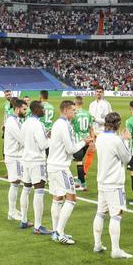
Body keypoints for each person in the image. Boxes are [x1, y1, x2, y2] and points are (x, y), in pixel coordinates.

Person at [48, 100, 93, 245]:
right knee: (71, 198)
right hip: (60, 167)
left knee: (57, 198)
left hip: (53, 165)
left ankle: (56, 231)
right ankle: (60, 233)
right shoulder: (64, 125)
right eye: (73, 110)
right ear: (66, 110)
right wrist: (84, 142)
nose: (75, 112)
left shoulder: (58, 123)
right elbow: (71, 149)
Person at [92, 112, 133, 259]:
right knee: (117, 214)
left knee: (100, 212)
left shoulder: (100, 137)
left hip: (101, 181)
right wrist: (126, 140)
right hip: (114, 183)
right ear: (118, 124)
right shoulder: (117, 140)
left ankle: (97, 244)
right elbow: (127, 158)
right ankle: (115, 250)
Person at [20, 100, 51, 235]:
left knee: (26, 189)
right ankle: (38, 226)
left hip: (26, 159)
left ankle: (24, 219)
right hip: (36, 160)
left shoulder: (25, 123)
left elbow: (24, 140)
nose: (44, 110)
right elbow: (43, 145)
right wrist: (51, 138)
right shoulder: (38, 124)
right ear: (36, 109)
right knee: (39, 191)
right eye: (42, 108)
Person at [4, 98, 27, 221]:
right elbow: (22, 139)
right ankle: (11, 212)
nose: (26, 111)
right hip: (14, 156)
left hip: (17, 156)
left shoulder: (17, 120)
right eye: (24, 109)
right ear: (17, 109)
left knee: (17, 183)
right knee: (15, 183)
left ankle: (12, 210)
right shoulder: (12, 122)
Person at [86, 86, 112, 173]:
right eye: (97, 91)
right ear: (95, 92)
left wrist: (96, 119)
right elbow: (89, 118)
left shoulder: (106, 104)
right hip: (93, 132)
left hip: (102, 132)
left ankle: (105, 172)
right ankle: (84, 174)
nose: (98, 93)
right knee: (90, 152)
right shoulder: (91, 104)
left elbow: (109, 120)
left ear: (103, 93)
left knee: (103, 154)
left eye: (100, 91)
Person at [71, 96, 94, 191]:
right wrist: (93, 140)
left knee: (78, 162)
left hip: (78, 141)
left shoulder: (74, 114)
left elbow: (70, 127)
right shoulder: (88, 113)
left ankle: (83, 184)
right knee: (80, 161)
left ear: (75, 103)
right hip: (87, 140)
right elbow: (91, 128)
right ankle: (79, 180)